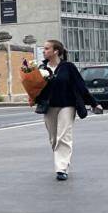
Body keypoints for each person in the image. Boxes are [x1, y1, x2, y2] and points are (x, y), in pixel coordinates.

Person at [34, 39, 102, 181]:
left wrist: (94, 103)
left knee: (63, 136)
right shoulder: (41, 68)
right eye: (44, 49)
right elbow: (36, 88)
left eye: (46, 48)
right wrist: (33, 97)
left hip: (67, 105)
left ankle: (61, 168)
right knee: (54, 139)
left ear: (56, 51)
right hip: (49, 107)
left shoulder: (68, 67)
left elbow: (80, 86)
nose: (44, 51)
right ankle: (61, 161)